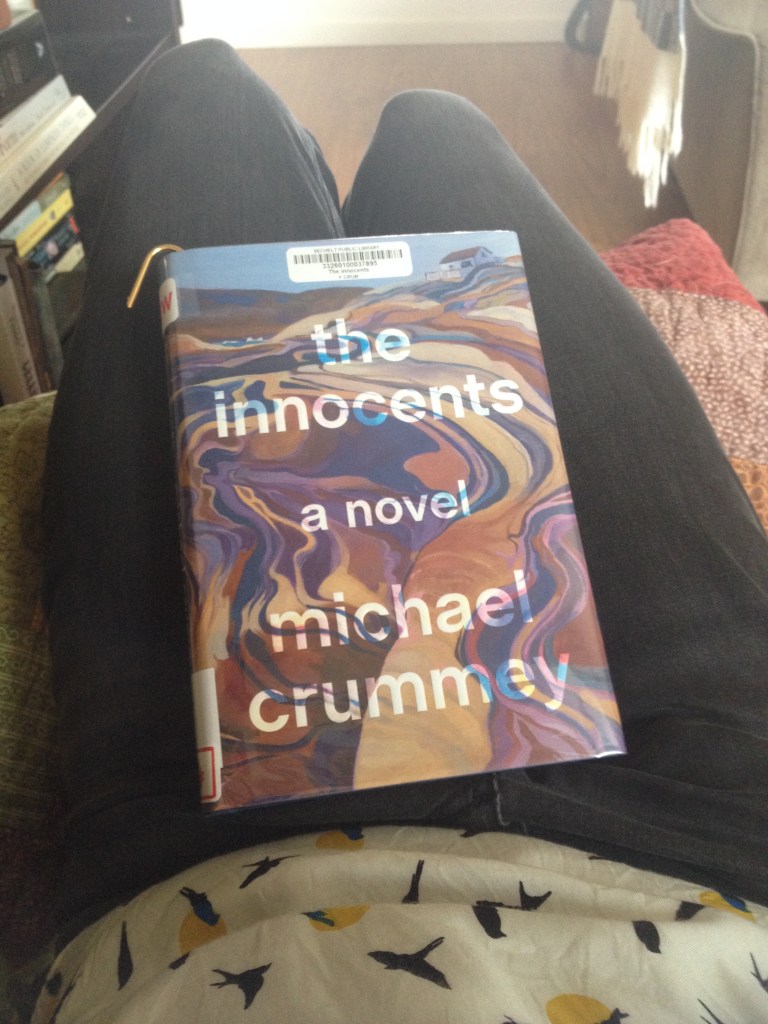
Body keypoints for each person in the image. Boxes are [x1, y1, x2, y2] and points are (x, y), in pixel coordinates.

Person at [36, 39, 767, 1022]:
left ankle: (317, 229)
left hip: (197, 871)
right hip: (713, 828)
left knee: (203, 97)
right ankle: (337, 255)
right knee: (435, 134)